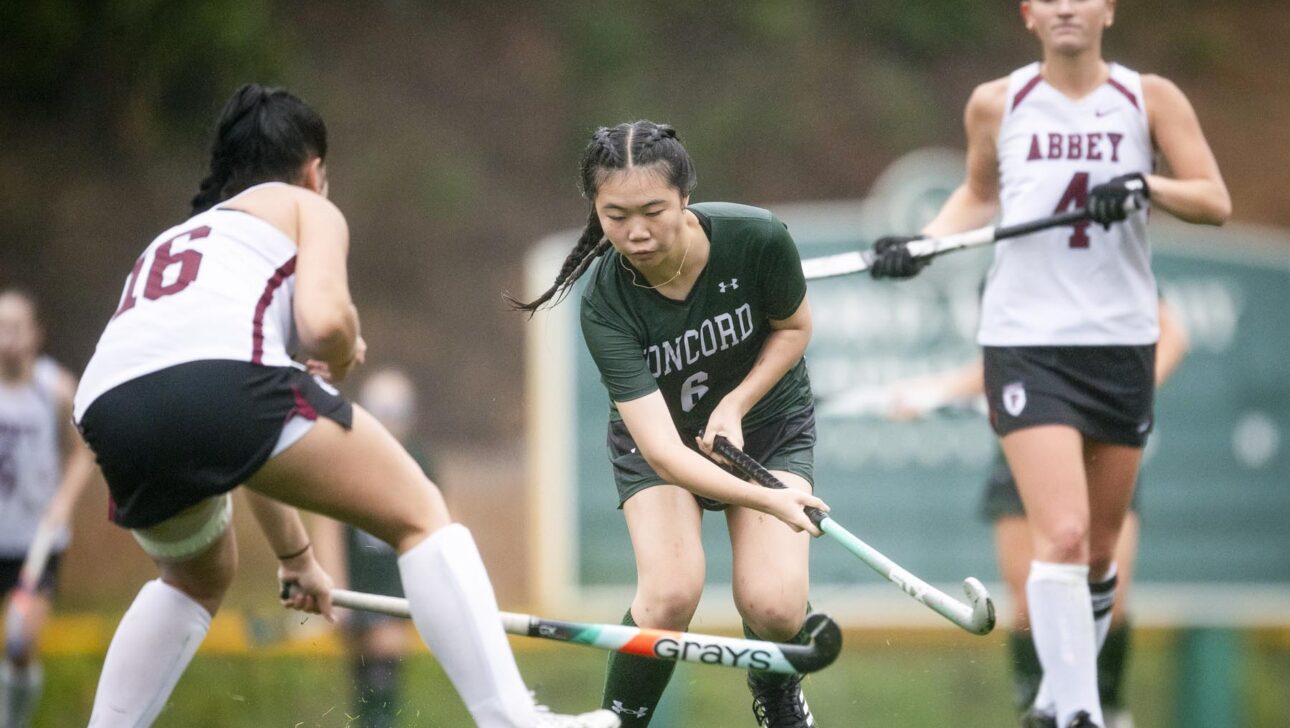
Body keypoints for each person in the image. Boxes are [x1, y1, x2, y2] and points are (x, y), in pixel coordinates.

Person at [71, 83, 618, 728]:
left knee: (192, 579)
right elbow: (322, 320)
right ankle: (512, 720)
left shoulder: (179, 239)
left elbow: (239, 444)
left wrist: (298, 558)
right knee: (419, 513)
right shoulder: (306, 207)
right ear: (314, 169)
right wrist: (345, 342)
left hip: (109, 405)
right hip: (224, 383)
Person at [869, 1, 1230, 725]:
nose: (1067, 6)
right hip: (1026, 341)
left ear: (1108, 10)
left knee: (1097, 554)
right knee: (1060, 535)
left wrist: (1144, 186)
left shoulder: (1148, 99)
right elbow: (978, 194)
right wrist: (924, 242)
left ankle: (1063, 703)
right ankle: (1076, 709)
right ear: (1030, 14)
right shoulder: (997, 103)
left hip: (1122, 343)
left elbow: (1213, 200)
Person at [510, 120, 830, 728]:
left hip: (768, 424)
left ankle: (775, 692)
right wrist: (771, 499)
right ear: (595, 209)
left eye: (653, 210)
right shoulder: (604, 298)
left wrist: (734, 405)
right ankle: (621, 720)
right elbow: (661, 452)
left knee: (778, 606)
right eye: (615, 215)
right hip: (662, 443)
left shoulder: (757, 237)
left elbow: (794, 330)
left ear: (685, 196)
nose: (635, 232)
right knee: (669, 594)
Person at [884, 300, 1190, 728]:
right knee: (1031, 601)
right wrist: (936, 391)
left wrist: (1125, 394)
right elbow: (999, 361)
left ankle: (1106, 709)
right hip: (1029, 437)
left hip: (1106, 434)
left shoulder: (1105, 245)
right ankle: (1043, 711)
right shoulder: (1004, 267)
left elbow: (1170, 334)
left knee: (1106, 593)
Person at [0, 289, 97, 728]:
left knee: (20, 644)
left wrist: (62, 502)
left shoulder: (54, 388)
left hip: (36, 542)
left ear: (36, 335)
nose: (7, 339)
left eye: (15, 328)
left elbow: (82, 452)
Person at [314, 368, 425, 728]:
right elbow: (328, 525)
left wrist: (428, 593)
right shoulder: (347, 462)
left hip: (398, 588)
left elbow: (442, 528)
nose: (390, 424)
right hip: (358, 587)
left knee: (382, 682)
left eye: (397, 413)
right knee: (364, 686)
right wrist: (335, 587)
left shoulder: (421, 464)